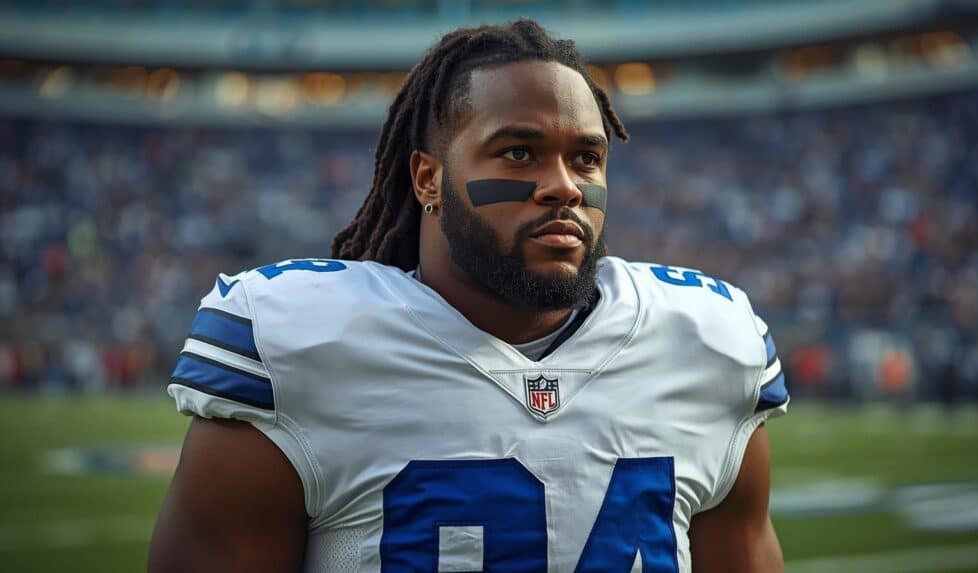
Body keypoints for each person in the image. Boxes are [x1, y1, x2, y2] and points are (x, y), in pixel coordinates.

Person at [149, 19, 788, 572]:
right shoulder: (295, 344)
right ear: (429, 178)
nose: (563, 187)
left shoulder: (705, 341)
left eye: (587, 159)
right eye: (518, 152)